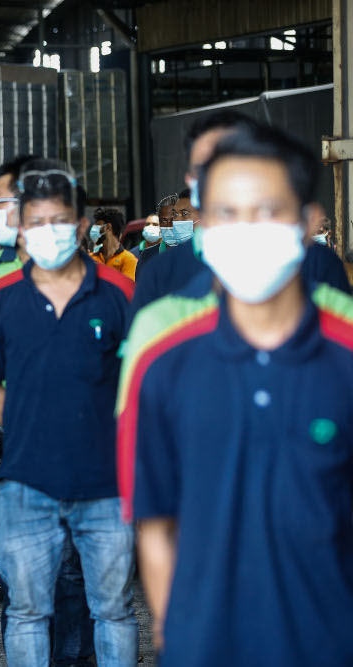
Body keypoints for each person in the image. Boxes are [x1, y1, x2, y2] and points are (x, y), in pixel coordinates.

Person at [118, 123, 353, 666]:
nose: (245, 230)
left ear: (305, 223)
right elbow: (155, 523)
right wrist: (176, 637)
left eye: (267, 211)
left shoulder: (343, 355)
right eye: (225, 212)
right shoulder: (162, 360)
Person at [0, 159, 138, 666]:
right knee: (27, 611)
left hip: (108, 489)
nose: (49, 233)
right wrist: (31, 431)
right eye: (37, 222)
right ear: (22, 229)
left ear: (83, 226)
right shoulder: (1, 297)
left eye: (60, 221)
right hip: (26, 485)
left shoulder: (120, 294)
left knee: (112, 610)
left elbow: (140, 384)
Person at [131, 112, 350, 317]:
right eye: (206, 168)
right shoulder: (159, 274)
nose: (222, 177)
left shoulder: (319, 264)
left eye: (234, 160)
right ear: (190, 180)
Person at [90, 207, 137, 280]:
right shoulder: (91, 258)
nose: (93, 229)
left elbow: (127, 288)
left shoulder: (128, 259)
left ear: (108, 227)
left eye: (98, 225)